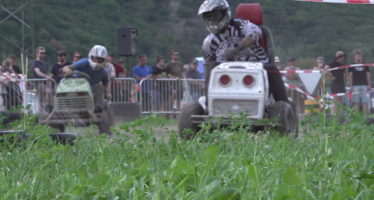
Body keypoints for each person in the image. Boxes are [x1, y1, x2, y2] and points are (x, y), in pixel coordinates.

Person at [198, 0, 288, 105]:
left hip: (257, 67)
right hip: (228, 73)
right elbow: (209, 63)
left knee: (272, 68)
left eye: (215, 15)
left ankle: (283, 103)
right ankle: (209, 104)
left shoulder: (241, 24)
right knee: (211, 67)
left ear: (225, 13)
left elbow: (254, 34)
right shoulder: (208, 42)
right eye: (209, 17)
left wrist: (237, 49)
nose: (212, 20)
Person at [30, 46, 53, 113]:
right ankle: (40, 113)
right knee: (42, 99)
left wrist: (49, 82)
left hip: (44, 83)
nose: (43, 54)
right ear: (37, 53)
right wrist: (46, 77)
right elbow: (38, 72)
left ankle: (42, 112)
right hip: (39, 83)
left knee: (43, 100)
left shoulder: (43, 63)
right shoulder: (35, 62)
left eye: (44, 53)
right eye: (41, 53)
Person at [348, 49, 371, 114]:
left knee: (365, 101)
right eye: (357, 56)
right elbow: (350, 76)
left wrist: (369, 85)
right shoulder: (351, 65)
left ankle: (365, 117)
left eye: (360, 56)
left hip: (364, 85)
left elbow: (368, 75)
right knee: (356, 102)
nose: (359, 57)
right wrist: (350, 86)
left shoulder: (365, 64)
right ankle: (356, 117)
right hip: (355, 85)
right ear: (355, 56)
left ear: (362, 56)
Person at [325, 51, 347, 115]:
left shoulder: (342, 64)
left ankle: (340, 114)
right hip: (335, 83)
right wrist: (331, 76)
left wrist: (345, 77)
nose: (343, 58)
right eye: (342, 57)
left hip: (341, 83)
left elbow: (343, 73)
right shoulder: (333, 63)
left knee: (340, 100)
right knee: (335, 100)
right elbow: (326, 68)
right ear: (338, 57)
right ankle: (333, 115)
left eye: (343, 57)